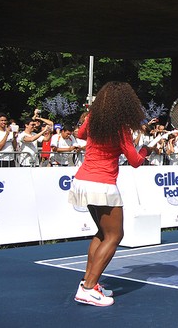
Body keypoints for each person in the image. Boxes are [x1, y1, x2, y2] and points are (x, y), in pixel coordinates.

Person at [68, 81, 151, 307]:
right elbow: (135, 161)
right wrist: (146, 149)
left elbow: (81, 134)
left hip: (82, 180)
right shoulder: (121, 128)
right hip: (102, 184)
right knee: (115, 236)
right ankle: (87, 289)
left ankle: (89, 282)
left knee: (102, 233)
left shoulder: (93, 119)